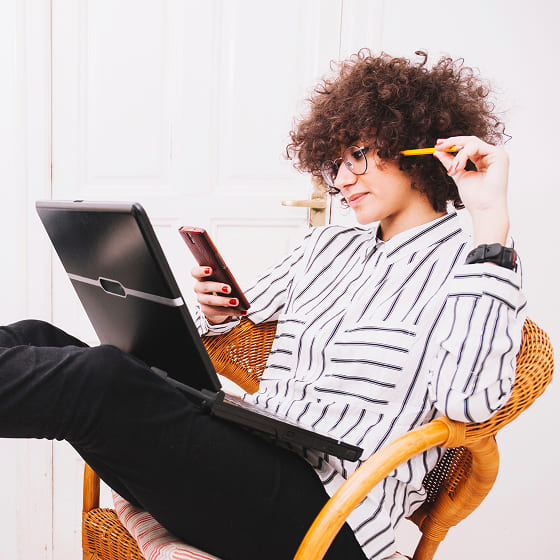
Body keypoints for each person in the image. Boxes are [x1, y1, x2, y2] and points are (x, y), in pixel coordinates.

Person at [0, 50, 525, 560]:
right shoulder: (326, 246)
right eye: (334, 163)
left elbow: (471, 402)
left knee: (98, 378)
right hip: (253, 453)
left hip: (328, 510)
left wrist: (490, 221)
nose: (342, 181)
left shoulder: (477, 264)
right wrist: (220, 316)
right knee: (36, 333)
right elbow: (238, 322)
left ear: (416, 147)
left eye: (359, 155)